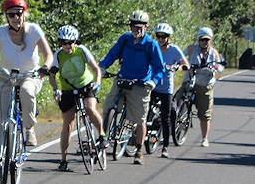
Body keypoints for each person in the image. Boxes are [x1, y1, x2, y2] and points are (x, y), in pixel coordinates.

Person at [0, 0, 53, 182]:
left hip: (30, 76)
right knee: (0, 121)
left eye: (18, 14)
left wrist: (45, 67)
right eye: (11, 15)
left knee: (27, 92)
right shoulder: (0, 32)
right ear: (6, 17)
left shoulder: (34, 30)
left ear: (24, 14)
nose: (15, 18)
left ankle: (29, 127)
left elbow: (48, 55)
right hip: (6, 77)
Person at [99, 10, 164, 165]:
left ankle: (139, 150)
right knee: (108, 108)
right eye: (134, 26)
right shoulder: (125, 39)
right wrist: (102, 67)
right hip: (122, 79)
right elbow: (112, 54)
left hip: (140, 84)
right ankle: (102, 139)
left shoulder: (151, 45)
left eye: (140, 26)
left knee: (140, 119)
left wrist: (153, 82)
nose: (137, 29)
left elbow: (159, 68)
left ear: (146, 27)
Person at [48, 24, 105, 170]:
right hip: (68, 89)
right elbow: (52, 75)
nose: (66, 45)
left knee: (90, 108)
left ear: (75, 41)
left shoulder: (82, 51)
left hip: (86, 86)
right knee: (67, 124)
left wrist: (97, 83)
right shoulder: (58, 55)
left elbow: (96, 69)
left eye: (69, 42)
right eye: (63, 42)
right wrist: (55, 89)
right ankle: (63, 159)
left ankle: (102, 136)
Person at [181, 27, 224, 147]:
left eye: (207, 40)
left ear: (210, 40)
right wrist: (183, 64)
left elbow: (220, 67)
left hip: (205, 85)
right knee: (175, 102)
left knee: (205, 114)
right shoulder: (191, 49)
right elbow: (181, 57)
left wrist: (215, 68)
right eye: (202, 39)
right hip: (189, 81)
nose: (204, 42)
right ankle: (178, 119)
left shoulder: (214, 53)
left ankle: (205, 138)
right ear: (198, 40)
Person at [153, 23, 190, 158]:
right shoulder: (154, 47)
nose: (161, 39)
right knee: (144, 112)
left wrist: (177, 67)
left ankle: (165, 147)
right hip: (153, 85)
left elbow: (185, 64)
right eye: (158, 36)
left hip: (166, 88)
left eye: (164, 36)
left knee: (166, 116)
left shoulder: (174, 50)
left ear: (169, 38)